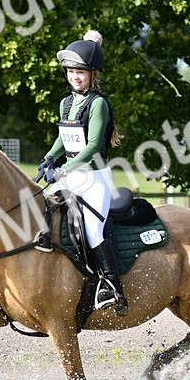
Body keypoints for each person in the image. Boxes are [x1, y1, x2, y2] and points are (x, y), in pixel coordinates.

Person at [37, 30, 128, 316]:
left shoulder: (98, 103)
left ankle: (112, 286)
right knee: (39, 211)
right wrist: (49, 157)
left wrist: (64, 168)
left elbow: (92, 147)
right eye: (71, 71)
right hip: (71, 174)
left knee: (91, 227)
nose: (75, 76)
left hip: (94, 178)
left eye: (81, 72)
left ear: (92, 74)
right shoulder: (66, 103)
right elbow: (65, 138)